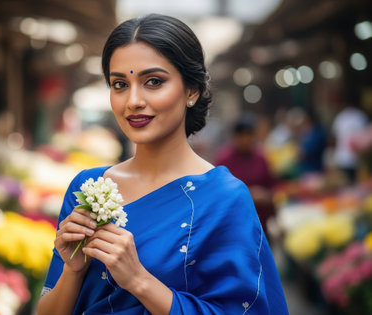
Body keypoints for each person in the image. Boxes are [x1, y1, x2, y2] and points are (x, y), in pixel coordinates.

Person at [37, 14, 288, 315]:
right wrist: (73, 271)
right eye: (119, 84)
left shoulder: (223, 198)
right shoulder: (89, 188)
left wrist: (139, 280)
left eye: (153, 82)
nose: (133, 101)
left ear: (191, 91)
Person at [214, 116, 276, 236]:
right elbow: (218, 193)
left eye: (249, 135)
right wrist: (248, 195)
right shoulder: (224, 159)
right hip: (234, 226)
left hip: (260, 224)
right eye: (241, 135)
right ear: (234, 137)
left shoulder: (261, 158)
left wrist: (267, 196)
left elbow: (272, 186)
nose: (245, 140)